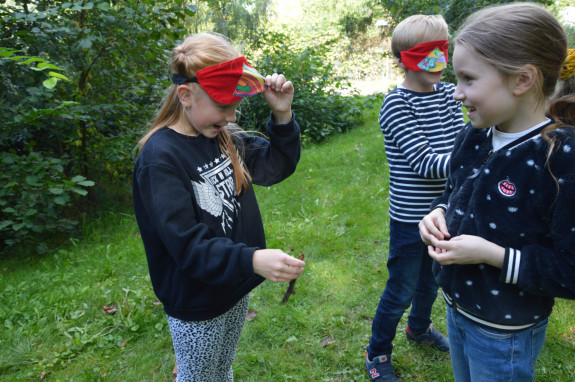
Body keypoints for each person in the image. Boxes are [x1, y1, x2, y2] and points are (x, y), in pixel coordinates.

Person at [132, 32, 306, 382]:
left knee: (221, 368)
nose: (231, 115)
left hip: (233, 286)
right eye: (223, 106)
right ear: (186, 95)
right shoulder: (160, 159)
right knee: (198, 376)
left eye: (235, 106)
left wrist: (282, 117)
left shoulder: (225, 138)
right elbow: (188, 246)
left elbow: (276, 165)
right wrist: (253, 259)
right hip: (197, 302)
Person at [419, 3, 575, 381]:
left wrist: (491, 255)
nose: (457, 94)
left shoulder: (561, 157)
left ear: (522, 80)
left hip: (504, 332)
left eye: (468, 79)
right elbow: (455, 191)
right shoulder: (474, 134)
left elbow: (570, 270)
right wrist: (437, 212)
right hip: (456, 306)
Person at [365, 14, 466, 382]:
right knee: (402, 287)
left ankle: (419, 328)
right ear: (403, 59)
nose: (440, 61)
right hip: (410, 218)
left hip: (446, 211)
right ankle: (377, 352)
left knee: (434, 280)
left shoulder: (448, 93)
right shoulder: (396, 105)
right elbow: (425, 162)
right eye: (429, 54)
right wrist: (473, 158)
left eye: (444, 50)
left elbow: (464, 137)